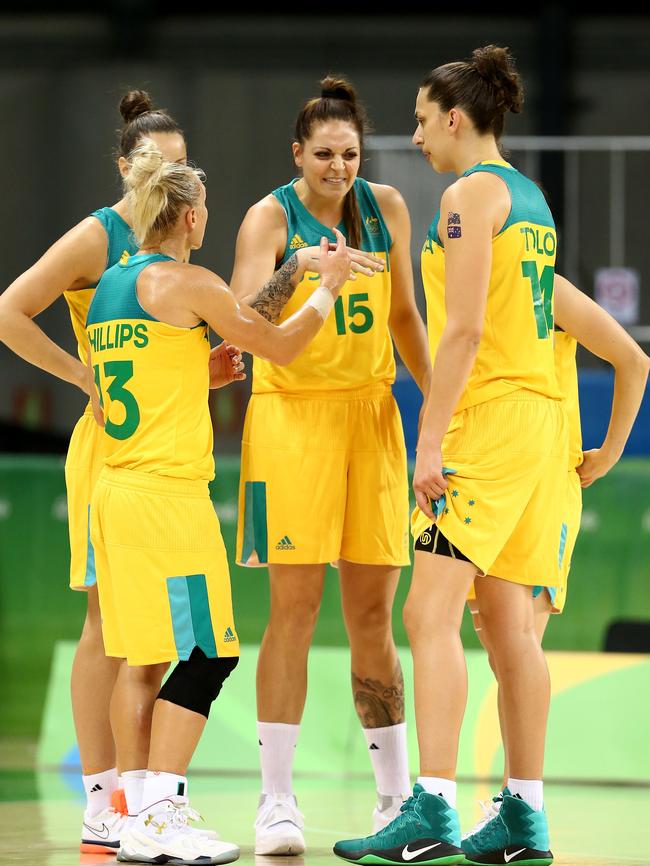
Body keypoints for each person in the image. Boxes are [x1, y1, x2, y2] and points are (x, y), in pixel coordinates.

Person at [334, 45, 570, 866]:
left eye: (423, 118)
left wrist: (429, 440)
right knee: (510, 632)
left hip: (492, 423)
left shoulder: (470, 194)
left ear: (456, 119)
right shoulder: (532, 198)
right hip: (538, 427)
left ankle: (431, 804)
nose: (417, 132)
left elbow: (463, 329)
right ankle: (523, 815)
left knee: (424, 614)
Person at [86, 138, 352, 864]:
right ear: (193, 217)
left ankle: (137, 813)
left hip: (117, 489)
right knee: (210, 652)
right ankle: (163, 808)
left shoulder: (115, 282)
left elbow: (135, 372)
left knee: (144, 658)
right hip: (168, 497)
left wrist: (194, 375)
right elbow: (282, 346)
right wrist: (324, 286)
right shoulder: (189, 282)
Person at [0, 90, 240, 855]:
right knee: (109, 630)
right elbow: (11, 310)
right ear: (125, 170)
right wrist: (80, 378)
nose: (167, 178)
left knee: (161, 641)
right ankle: (106, 798)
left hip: (162, 452)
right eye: (154, 165)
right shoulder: (98, 239)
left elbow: (157, 359)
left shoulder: (173, 257)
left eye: (179, 166)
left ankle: (142, 801)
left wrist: (198, 375)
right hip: (114, 455)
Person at [230, 75, 432, 855]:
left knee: (375, 618)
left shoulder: (388, 208)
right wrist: (309, 268)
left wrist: (443, 411)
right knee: (295, 612)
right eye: (323, 155)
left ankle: (394, 800)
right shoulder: (267, 217)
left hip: (373, 419)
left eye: (349, 153)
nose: (338, 167)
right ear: (297, 154)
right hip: (291, 420)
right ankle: (276, 801)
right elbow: (246, 319)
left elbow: (407, 316)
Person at [464, 272, 649, 836]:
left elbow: (633, 360)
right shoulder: (467, 287)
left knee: (517, 641)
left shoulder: (547, 288)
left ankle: (525, 806)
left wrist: (610, 453)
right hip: (490, 472)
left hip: (543, 483)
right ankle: (516, 804)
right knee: (503, 647)